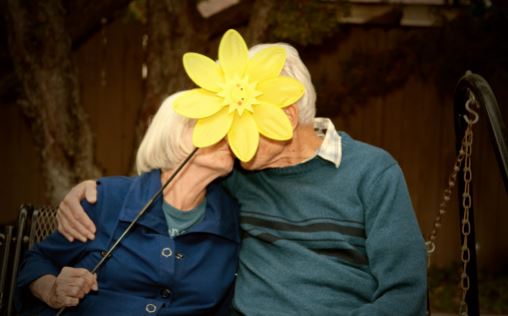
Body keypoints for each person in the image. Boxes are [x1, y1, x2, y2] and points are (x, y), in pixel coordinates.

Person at [57, 42, 428, 315]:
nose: (228, 135)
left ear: (283, 117)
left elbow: (405, 295)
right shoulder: (235, 174)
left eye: (240, 120)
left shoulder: (372, 173)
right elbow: (171, 181)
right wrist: (88, 191)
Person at [15, 93, 241, 315]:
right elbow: (38, 260)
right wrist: (52, 290)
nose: (225, 132)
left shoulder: (234, 218)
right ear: (172, 134)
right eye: (208, 122)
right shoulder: (106, 199)